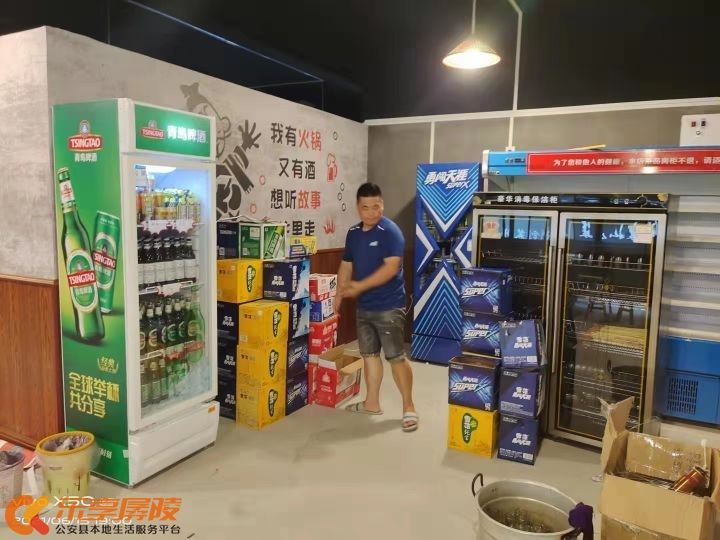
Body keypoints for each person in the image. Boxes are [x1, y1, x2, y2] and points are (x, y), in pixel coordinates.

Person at [333, 182, 418, 432]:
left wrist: (359, 286)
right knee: (369, 355)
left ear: (382, 205)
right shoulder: (353, 233)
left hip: (389, 306)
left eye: (376, 207)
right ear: (357, 208)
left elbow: (391, 268)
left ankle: (409, 407)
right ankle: (371, 403)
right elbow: (346, 264)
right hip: (364, 307)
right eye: (365, 207)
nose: (371, 212)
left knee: (396, 357)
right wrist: (339, 293)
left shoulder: (391, 232)